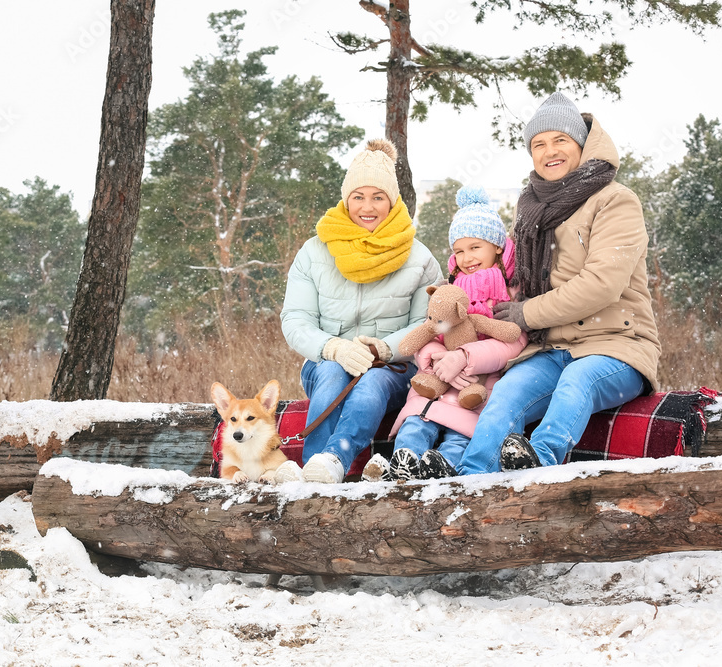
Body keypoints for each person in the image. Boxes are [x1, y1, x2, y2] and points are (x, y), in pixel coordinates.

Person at [456, 92, 661, 476]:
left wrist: (526, 313)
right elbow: (510, 273)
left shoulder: (616, 201)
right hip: (551, 346)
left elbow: (600, 284)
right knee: (506, 395)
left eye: (560, 140)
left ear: (582, 146)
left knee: (577, 382)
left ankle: (539, 465)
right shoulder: (531, 207)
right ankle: (470, 480)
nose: (550, 151)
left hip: (616, 345)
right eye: (539, 144)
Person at [276, 138, 442, 484]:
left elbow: (427, 324)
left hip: (392, 367)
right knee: (334, 372)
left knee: (372, 383)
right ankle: (313, 470)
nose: (368, 207)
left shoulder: (420, 258)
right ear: (346, 199)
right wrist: (334, 347)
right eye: (358, 197)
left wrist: (382, 348)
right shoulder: (314, 252)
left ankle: (334, 459)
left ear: (392, 200)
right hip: (326, 361)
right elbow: (296, 319)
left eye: (378, 197)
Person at [361, 185, 528, 482]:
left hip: (477, 384)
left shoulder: (512, 292)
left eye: (476, 247)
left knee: (461, 431)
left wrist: (463, 358)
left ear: (498, 246)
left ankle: (445, 464)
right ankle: (404, 462)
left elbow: (513, 342)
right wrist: (431, 357)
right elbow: (429, 329)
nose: (467, 258)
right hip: (436, 381)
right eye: (459, 251)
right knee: (417, 421)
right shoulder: (447, 289)